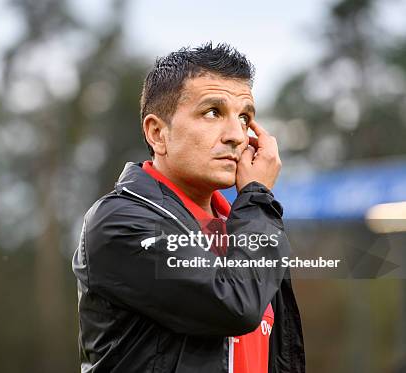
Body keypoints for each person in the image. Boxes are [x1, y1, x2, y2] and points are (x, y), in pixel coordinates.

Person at [72, 43, 305, 373]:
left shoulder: (247, 225)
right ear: (157, 133)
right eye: (212, 112)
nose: (237, 136)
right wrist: (256, 195)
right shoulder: (119, 222)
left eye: (244, 118)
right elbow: (235, 304)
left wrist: (255, 205)